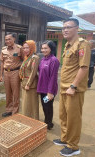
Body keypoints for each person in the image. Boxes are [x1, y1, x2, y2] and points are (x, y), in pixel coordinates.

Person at [53, 18, 91, 157]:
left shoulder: (82, 44)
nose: (65, 30)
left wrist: (73, 86)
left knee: (73, 118)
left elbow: (84, 67)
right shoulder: (68, 45)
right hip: (64, 87)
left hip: (73, 89)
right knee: (63, 116)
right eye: (63, 28)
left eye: (69, 27)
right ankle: (65, 139)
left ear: (77, 29)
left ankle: (73, 146)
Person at [37, 40, 60, 130]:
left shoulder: (54, 60)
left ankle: (48, 123)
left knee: (48, 106)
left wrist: (50, 92)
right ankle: (47, 121)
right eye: (42, 48)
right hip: (42, 88)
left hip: (48, 90)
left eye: (46, 48)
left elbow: (53, 78)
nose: (43, 50)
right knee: (44, 105)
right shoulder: (43, 59)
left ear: (51, 48)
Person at [0, 34, 22, 117]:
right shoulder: (3, 50)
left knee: (16, 93)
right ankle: (9, 110)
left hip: (15, 72)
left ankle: (15, 112)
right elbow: (2, 62)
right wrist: (1, 75)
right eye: (6, 39)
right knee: (8, 93)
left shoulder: (19, 49)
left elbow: (24, 60)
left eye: (9, 39)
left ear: (14, 39)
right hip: (6, 73)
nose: (7, 41)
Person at [19, 40, 40, 120]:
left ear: (32, 48)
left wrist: (28, 84)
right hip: (24, 83)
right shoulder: (26, 57)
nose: (25, 50)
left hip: (31, 85)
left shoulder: (35, 58)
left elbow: (33, 72)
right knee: (25, 103)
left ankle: (33, 119)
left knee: (31, 103)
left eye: (27, 48)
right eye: (24, 48)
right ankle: (26, 118)